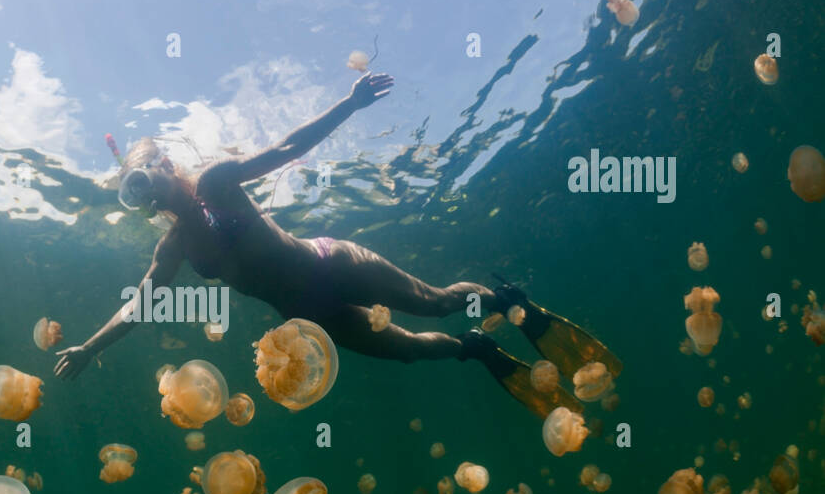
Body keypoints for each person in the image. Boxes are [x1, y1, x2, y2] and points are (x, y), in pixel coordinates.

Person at [54, 72, 617, 416]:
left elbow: (285, 147)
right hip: (307, 317)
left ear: (164, 165)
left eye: (143, 178)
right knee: (406, 350)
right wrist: (88, 347)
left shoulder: (215, 183)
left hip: (332, 263)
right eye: (131, 192)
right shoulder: (173, 246)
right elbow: (142, 303)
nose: (142, 194)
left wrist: (350, 104)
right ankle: (476, 347)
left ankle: (504, 301)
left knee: (435, 301)